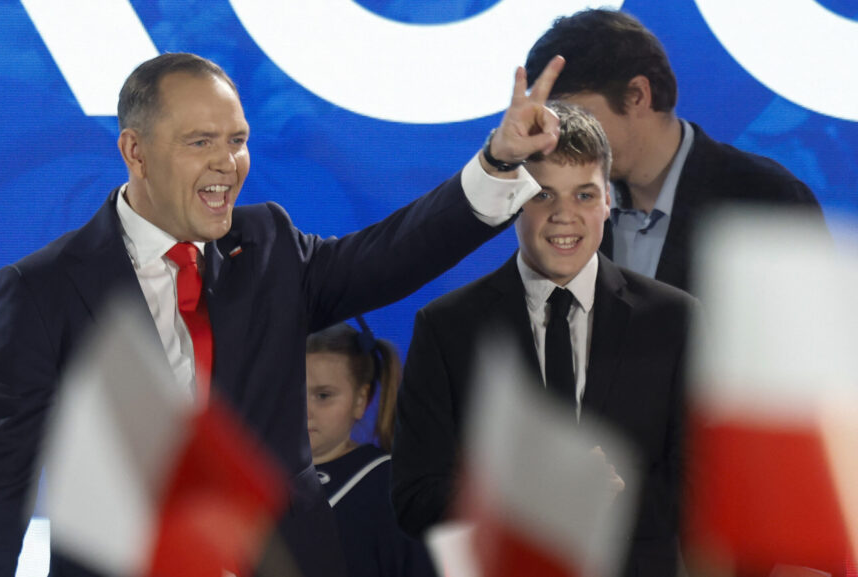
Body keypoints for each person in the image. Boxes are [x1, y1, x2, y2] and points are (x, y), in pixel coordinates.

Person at [0, 52, 567, 577]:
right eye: (201, 142)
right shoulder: (42, 289)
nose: (228, 163)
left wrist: (498, 162)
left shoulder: (267, 244)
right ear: (134, 152)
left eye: (237, 140)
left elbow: (389, 256)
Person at [392, 102, 699, 576]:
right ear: (514, 200)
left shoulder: (673, 320)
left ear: (608, 202)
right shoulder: (447, 328)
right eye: (542, 196)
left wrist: (610, 499)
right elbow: (415, 499)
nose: (563, 216)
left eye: (583, 196)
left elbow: (703, 486)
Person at [524, 8, 826, 293]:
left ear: (637, 96)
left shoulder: (765, 200)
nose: (560, 138)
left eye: (576, 116)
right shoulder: (563, 206)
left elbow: (806, 336)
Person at [306, 320, 436, 577]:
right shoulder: (254, 477)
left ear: (360, 399)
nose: (304, 410)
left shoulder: (397, 489)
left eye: (323, 396)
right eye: (293, 392)